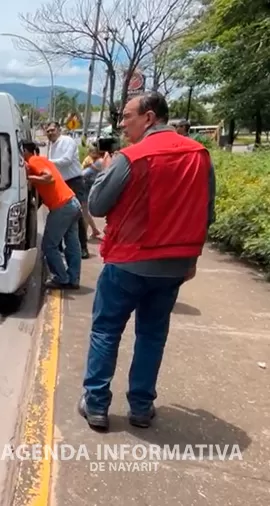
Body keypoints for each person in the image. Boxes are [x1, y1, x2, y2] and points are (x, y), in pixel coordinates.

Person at [79, 92, 216, 431]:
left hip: (128, 261)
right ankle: (140, 407)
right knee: (152, 336)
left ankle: (96, 405)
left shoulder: (130, 157)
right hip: (172, 265)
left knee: (106, 331)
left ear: (149, 117)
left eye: (127, 117)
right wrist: (191, 259)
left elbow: (95, 206)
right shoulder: (200, 156)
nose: (122, 124)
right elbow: (206, 213)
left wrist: (106, 171)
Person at [21, 141, 82, 289]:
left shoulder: (34, 160)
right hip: (72, 203)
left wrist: (28, 178)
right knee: (72, 244)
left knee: (49, 245)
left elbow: (49, 178)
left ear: (24, 151)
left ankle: (61, 278)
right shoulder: (43, 160)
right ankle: (72, 279)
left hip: (62, 207)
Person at [46, 122, 90, 259]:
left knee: (76, 214)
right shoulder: (52, 145)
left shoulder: (67, 141)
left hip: (74, 181)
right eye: (47, 131)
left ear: (59, 130)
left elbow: (66, 160)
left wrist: (47, 162)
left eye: (52, 130)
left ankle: (83, 247)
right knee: (59, 213)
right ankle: (60, 246)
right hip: (61, 182)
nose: (50, 133)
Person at [80, 146, 104, 239]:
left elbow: (85, 173)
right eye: (90, 151)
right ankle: (94, 230)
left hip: (88, 188)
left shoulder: (99, 162)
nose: (91, 153)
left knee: (84, 212)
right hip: (88, 187)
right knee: (84, 211)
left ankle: (84, 235)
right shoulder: (95, 161)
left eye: (93, 151)